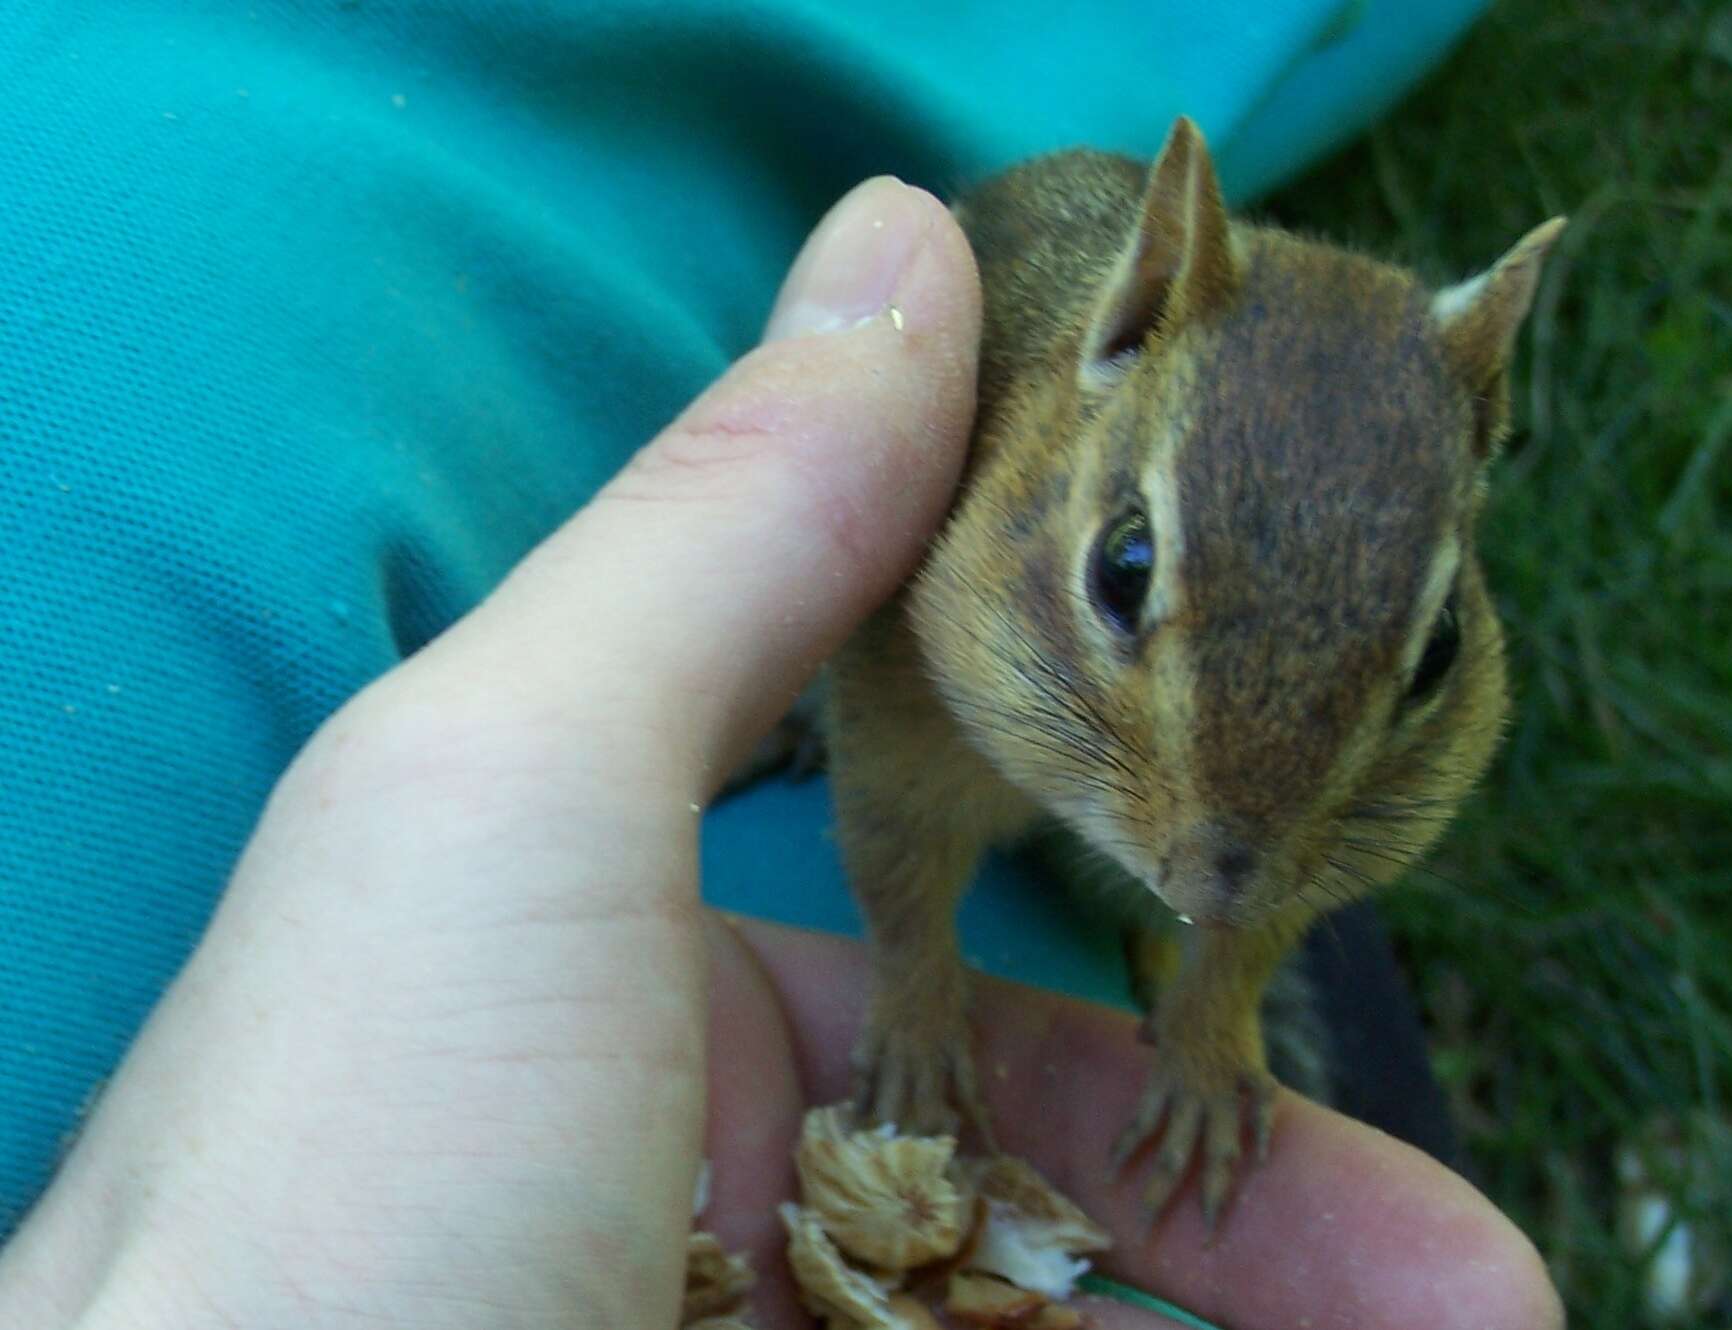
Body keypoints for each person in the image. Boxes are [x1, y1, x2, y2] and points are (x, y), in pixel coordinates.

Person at [0, 177, 1558, 1328]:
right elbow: (897, 777)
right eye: (1131, 579)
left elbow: (1276, 826)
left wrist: (1219, 1012)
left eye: (1422, 660)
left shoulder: (1336, 738)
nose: (1200, 852)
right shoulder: (996, 549)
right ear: (1132, 321)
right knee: (934, 809)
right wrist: (920, 978)